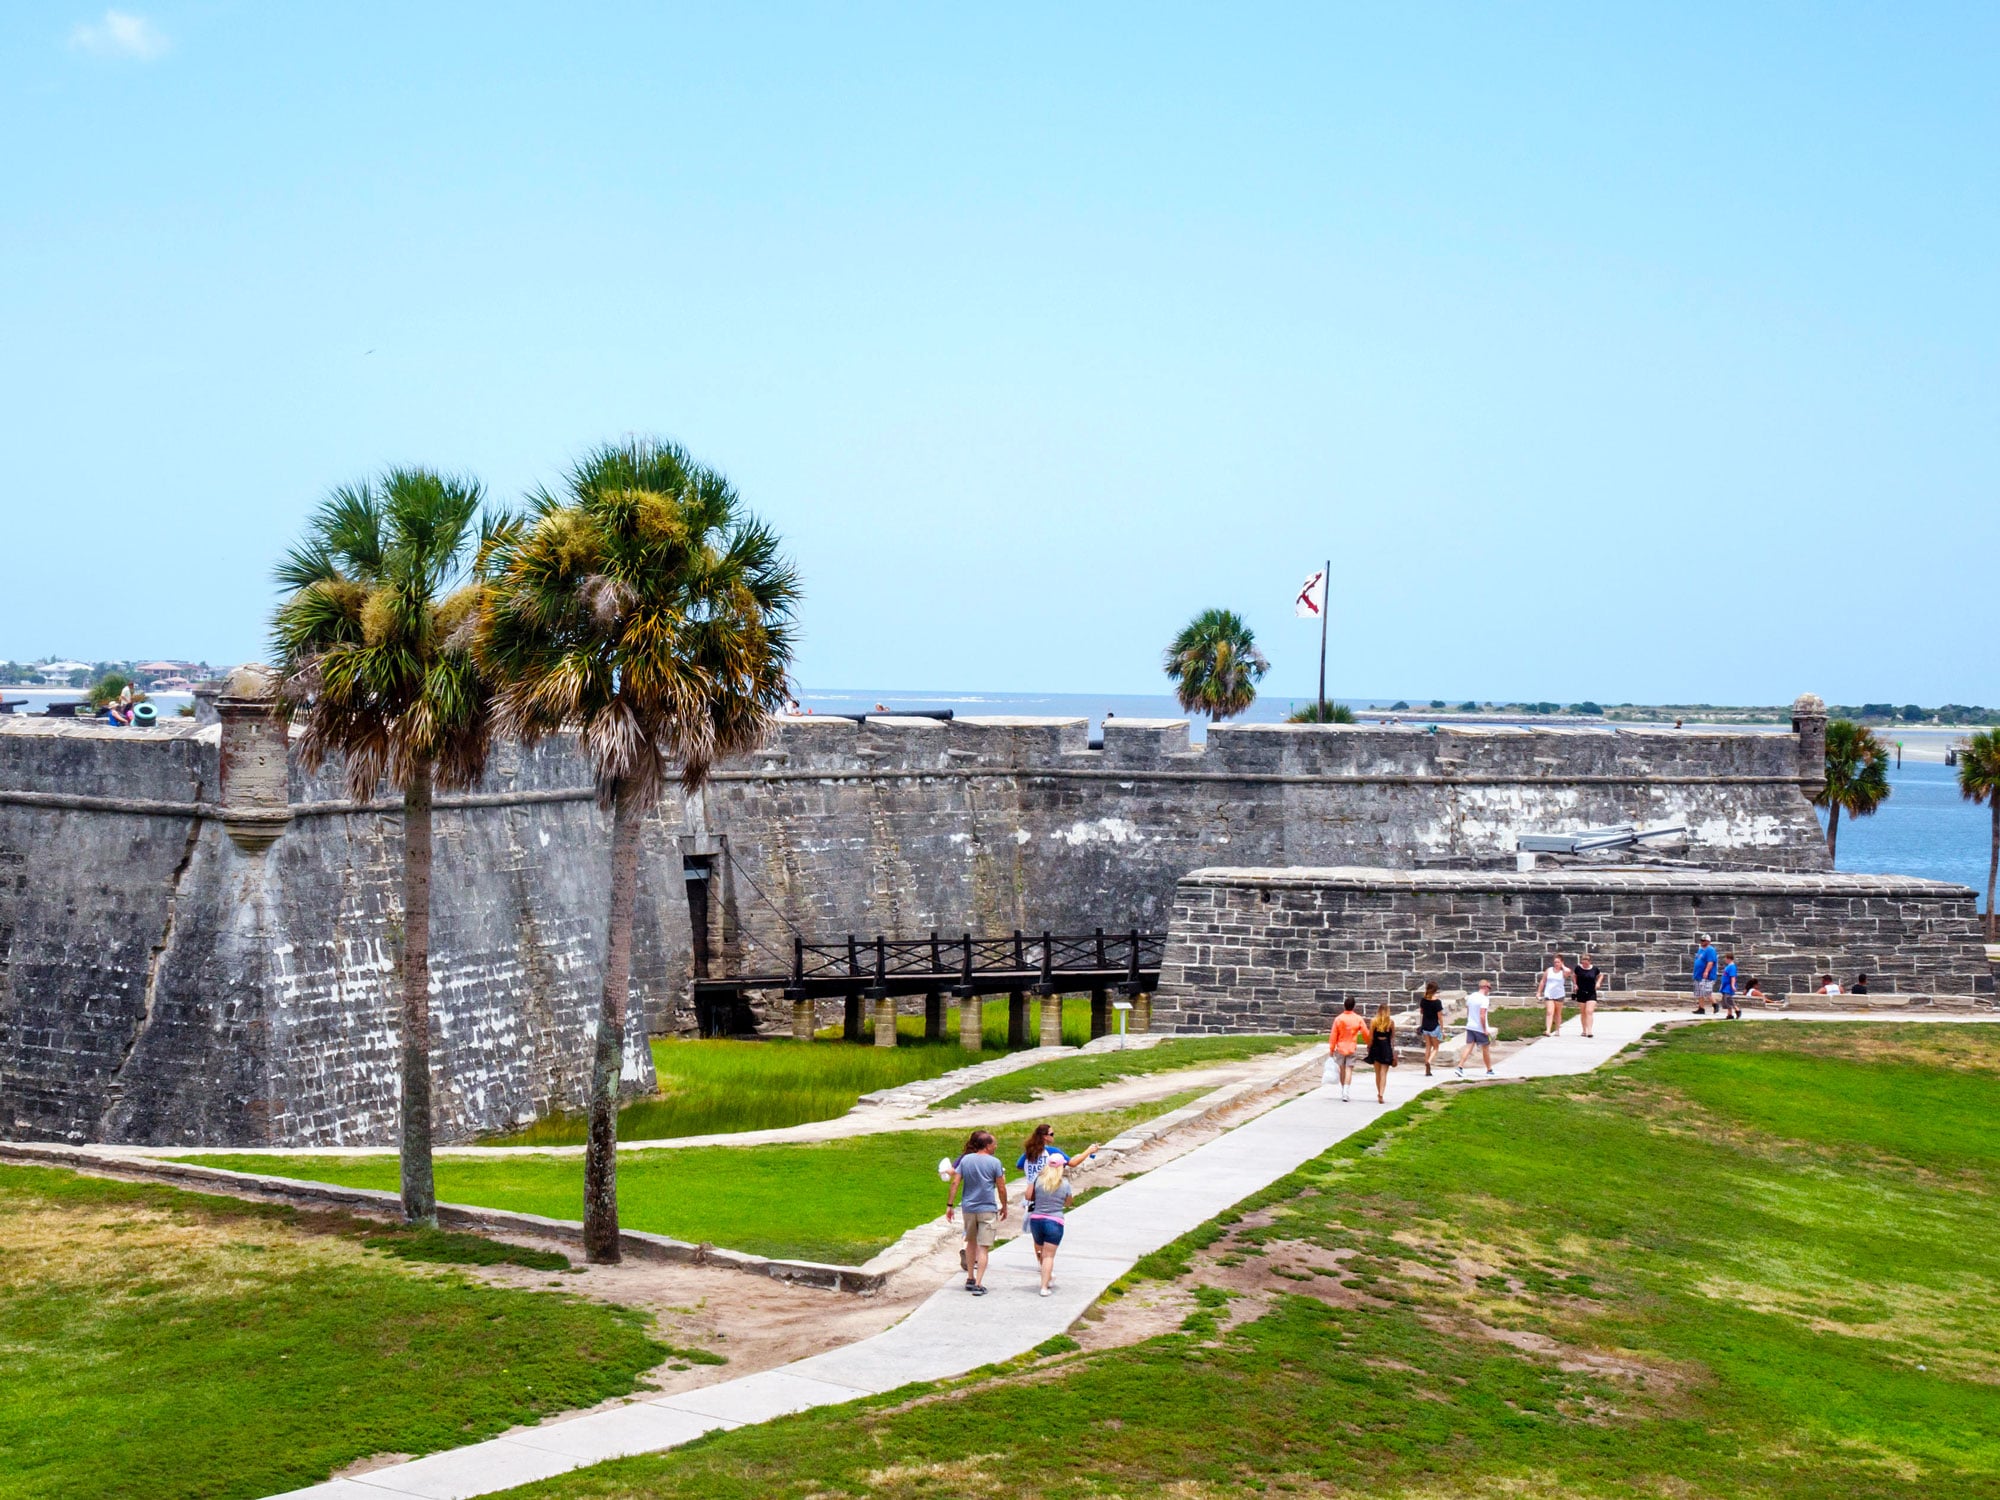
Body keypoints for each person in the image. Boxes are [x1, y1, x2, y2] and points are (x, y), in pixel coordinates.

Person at [945, 1129, 1009, 1295]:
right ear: (987, 1146)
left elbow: (955, 1183)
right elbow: (1001, 1187)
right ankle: (979, 1284)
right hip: (987, 1208)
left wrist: (949, 1205)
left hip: (968, 1208)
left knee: (971, 1242)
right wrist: (1004, 1205)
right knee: (983, 1247)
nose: (996, 1146)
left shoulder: (966, 1160)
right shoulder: (995, 1163)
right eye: (994, 1143)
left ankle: (970, 1278)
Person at [1024, 1156, 1074, 1297]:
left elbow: (1028, 1196)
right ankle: (1044, 1286)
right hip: (1054, 1220)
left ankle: (1048, 1275)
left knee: (1040, 1252)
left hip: (1036, 1219)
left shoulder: (1038, 1180)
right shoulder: (1064, 1184)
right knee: (1049, 1256)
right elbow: (1069, 1203)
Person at [1018, 1122, 1099, 1183]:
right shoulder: (1053, 1151)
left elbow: (1019, 1166)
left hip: (1032, 1187)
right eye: (1052, 1134)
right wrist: (1089, 1150)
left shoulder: (1029, 1151)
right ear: (1045, 1137)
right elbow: (1073, 1163)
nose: (1053, 1136)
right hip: (1048, 1185)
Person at [1328, 997, 1369, 1101]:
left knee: (1342, 1069)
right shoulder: (1358, 1018)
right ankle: (1346, 1091)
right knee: (1349, 1069)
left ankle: (1343, 1091)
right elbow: (1365, 1033)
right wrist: (1369, 1043)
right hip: (1351, 1047)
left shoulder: (1338, 1019)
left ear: (1344, 1005)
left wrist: (1331, 1049)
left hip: (1341, 1047)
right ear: (1354, 1006)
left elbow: (1333, 1035)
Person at [1455, 980, 1496, 1078]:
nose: (1489, 990)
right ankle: (1489, 1070)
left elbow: (1468, 1011)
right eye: (1489, 988)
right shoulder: (1484, 999)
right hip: (1479, 1028)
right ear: (1485, 987)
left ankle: (1460, 1067)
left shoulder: (1471, 996)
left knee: (1469, 1047)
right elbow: (1482, 1015)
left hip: (1471, 1025)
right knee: (1485, 1048)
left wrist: (1470, 1022)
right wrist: (1485, 1029)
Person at [1364, 999, 1397, 1103]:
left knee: (1377, 1073)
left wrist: (1369, 1047)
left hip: (1376, 1047)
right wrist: (1393, 1051)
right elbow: (1392, 1037)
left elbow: (1371, 1037)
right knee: (1384, 1073)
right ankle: (1382, 1093)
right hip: (1386, 1048)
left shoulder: (1374, 1021)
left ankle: (1379, 1093)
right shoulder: (1391, 1022)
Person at [1571, 950, 1604, 1038]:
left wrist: (1598, 983)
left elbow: (1601, 975)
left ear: (1589, 962)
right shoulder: (1578, 968)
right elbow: (1574, 975)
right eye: (1583, 963)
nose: (1584, 964)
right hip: (1581, 992)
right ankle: (1584, 1030)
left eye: (1586, 963)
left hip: (1591, 992)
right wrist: (1575, 984)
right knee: (1583, 1012)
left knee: (1589, 1011)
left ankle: (1589, 1031)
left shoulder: (1594, 969)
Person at [1416, 982, 1445, 1075]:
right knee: (1436, 1048)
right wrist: (1442, 1028)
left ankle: (1426, 1069)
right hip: (1434, 1027)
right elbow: (1440, 1017)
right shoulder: (1437, 1002)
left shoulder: (1423, 1000)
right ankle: (1429, 1061)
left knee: (1428, 1047)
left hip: (1425, 1026)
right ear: (1435, 991)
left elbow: (1421, 1012)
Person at [1539, 952, 1571, 1036]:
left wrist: (1562, 966)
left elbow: (1568, 971)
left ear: (1561, 962)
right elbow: (1543, 981)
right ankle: (1548, 1030)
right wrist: (1539, 992)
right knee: (1549, 1011)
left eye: (1558, 962)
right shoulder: (1549, 970)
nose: (1556, 964)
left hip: (1559, 994)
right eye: (1555, 962)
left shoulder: (1563, 972)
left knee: (1557, 1013)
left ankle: (1557, 1029)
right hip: (1549, 993)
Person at [1691, 935, 1719, 1014]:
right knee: (1699, 992)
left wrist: (1706, 971)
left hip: (1706, 975)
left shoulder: (1710, 950)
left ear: (1708, 941)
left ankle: (1715, 1004)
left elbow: (1710, 962)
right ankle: (1701, 1008)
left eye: (1703, 940)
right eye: (1701, 940)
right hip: (1698, 974)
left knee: (1706, 991)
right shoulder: (1700, 950)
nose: (1702, 942)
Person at [1717, 951, 1741, 1020]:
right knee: (1725, 1000)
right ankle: (1729, 1014)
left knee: (1728, 999)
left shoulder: (1732, 967)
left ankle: (1737, 1010)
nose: (1725, 960)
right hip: (1725, 986)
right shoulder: (1728, 966)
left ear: (1729, 958)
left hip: (1728, 986)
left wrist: (1732, 985)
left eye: (1726, 958)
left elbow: (1732, 977)